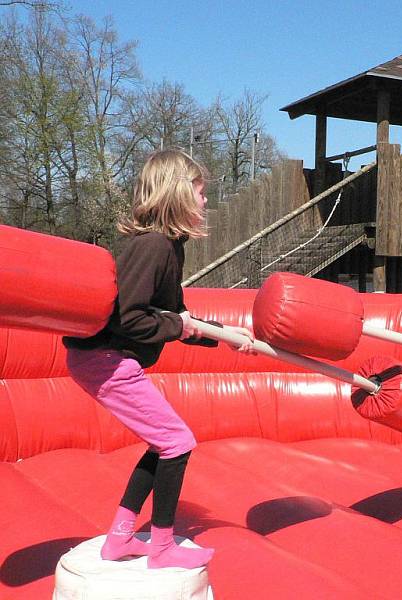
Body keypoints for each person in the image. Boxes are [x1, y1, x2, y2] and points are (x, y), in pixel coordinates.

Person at [63, 149, 256, 569]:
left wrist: (224, 335)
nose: (206, 202)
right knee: (177, 442)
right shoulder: (152, 246)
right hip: (105, 358)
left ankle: (119, 540)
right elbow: (132, 318)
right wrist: (181, 326)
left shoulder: (170, 246)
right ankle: (163, 548)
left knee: (165, 443)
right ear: (177, 193)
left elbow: (175, 314)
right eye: (200, 193)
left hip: (109, 358)